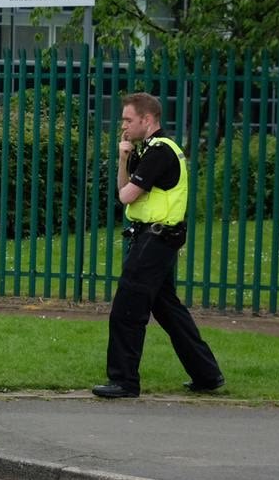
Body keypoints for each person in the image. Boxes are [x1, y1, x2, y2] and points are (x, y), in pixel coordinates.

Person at [92, 92, 225, 399]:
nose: (123, 125)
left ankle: (124, 381)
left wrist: (127, 158)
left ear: (147, 120)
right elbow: (124, 189)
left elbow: (126, 196)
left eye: (128, 119)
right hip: (154, 237)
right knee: (168, 310)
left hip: (155, 239)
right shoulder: (149, 150)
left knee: (127, 308)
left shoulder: (160, 152)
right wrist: (124, 157)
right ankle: (207, 375)